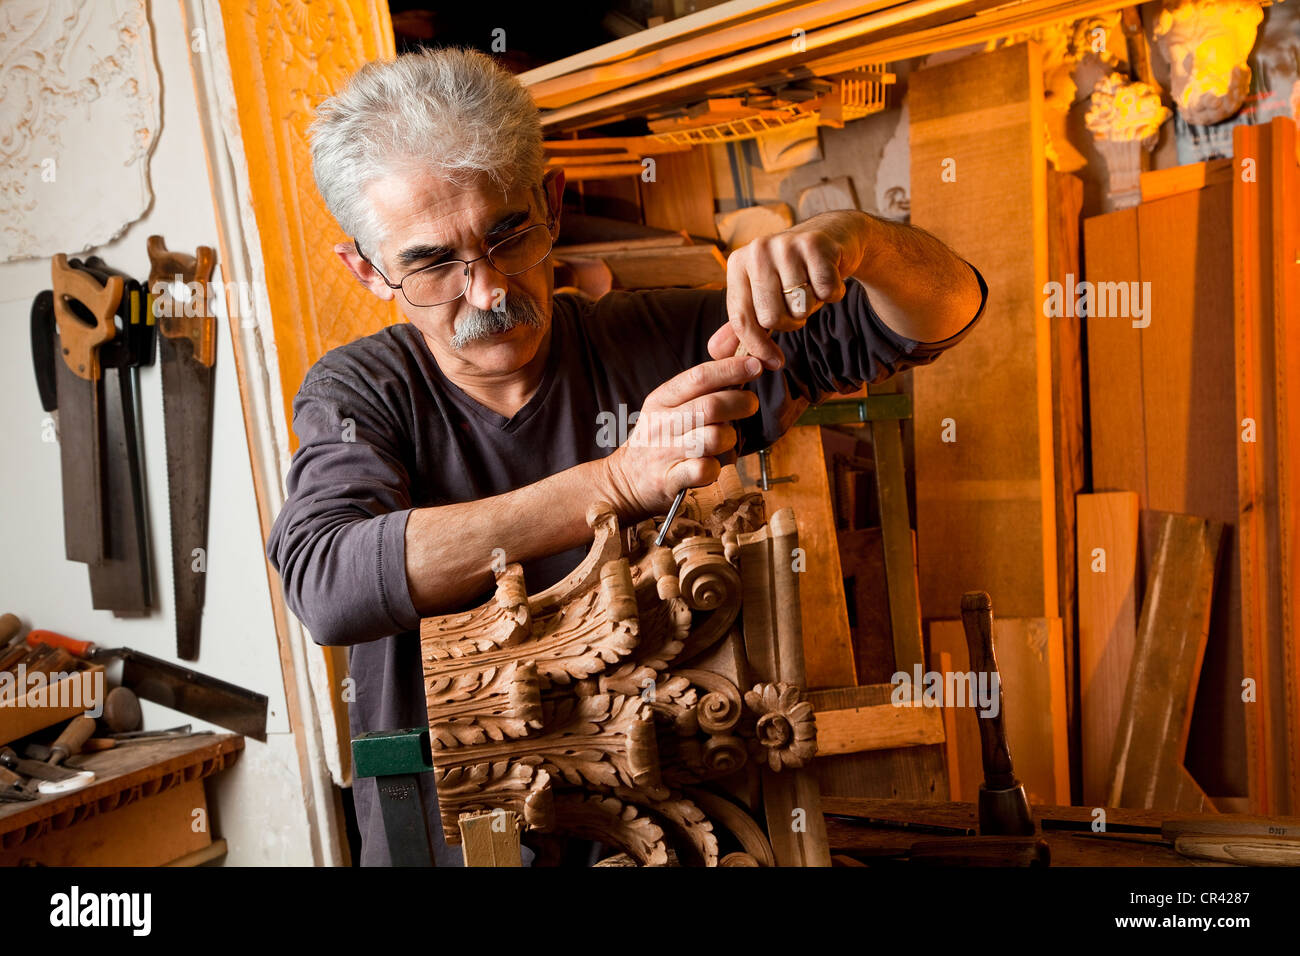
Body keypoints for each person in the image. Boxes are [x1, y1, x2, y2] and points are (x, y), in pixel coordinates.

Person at [266, 46, 988, 866]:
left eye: (509, 236)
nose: (489, 291)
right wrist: (615, 479)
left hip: (667, 830)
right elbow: (327, 583)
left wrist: (862, 244)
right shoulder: (364, 391)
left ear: (552, 202)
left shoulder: (659, 342)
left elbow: (944, 314)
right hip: (455, 841)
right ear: (365, 269)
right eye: (432, 263)